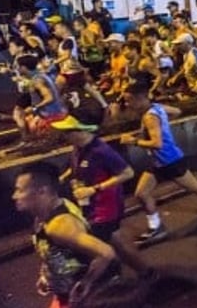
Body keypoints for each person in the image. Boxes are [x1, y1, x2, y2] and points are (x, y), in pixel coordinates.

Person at [50, 114, 153, 281]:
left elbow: (127, 173)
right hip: (89, 206)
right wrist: (62, 178)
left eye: (68, 131)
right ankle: (144, 272)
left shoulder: (102, 151)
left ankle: (113, 277)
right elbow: (74, 167)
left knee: (97, 246)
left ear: (82, 131)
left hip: (106, 208)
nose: (65, 135)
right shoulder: (78, 148)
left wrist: (94, 189)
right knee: (115, 240)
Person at [119, 81, 197, 244]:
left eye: (129, 100)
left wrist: (132, 141)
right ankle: (156, 227)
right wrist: (164, 126)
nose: (127, 104)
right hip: (159, 161)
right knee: (141, 193)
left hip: (170, 160)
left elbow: (157, 143)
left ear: (140, 99)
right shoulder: (157, 108)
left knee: (194, 186)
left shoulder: (150, 117)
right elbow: (177, 111)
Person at [14, 162, 116, 308]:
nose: (14, 196)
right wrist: (47, 275)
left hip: (87, 299)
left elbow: (106, 253)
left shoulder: (59, 226)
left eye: (20, 190)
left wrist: (85, 284)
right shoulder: (44, 214)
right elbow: (55, 251)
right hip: (65, 295)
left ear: (42, 191)